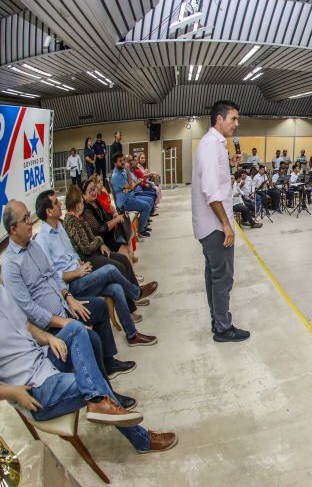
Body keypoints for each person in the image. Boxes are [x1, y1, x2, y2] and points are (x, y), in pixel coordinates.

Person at [0, 285, 178, 453]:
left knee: (75, 328)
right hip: (33, 390)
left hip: (43, 360)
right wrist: (14, 394)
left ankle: (99, 402)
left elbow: (26, 326)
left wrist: (49, 339)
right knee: (94, 382)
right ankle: (142, 439)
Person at [1, 200, 133, 378]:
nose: (30, 222)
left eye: (29, 217)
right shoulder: (11, 265)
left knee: (100, 307)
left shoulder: (34, 246)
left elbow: (54, 275)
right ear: (13, 229)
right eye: (25, 219)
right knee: (91, 339)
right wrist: (63, 322)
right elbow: (28, 309)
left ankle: (108, 363)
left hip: (65, 305)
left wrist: (69, 298)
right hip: (50, 325)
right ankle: (103, 395)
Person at [34, 191, 157, 348]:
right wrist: (76, 273)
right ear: (48, 211)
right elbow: (52, 276)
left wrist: (80, 264)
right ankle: (136, 293)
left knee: (117, 288)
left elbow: (71, 253)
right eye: (56, 203)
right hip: (71, 287)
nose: (60, 205)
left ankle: (132, 335)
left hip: (81, 272)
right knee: (110, 269)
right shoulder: (42, 239)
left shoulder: (59, 226)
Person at [191, 100, 250, 343]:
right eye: (233, 119)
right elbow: (211, 191)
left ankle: (218, 321)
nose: (236, 124)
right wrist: (226, 225)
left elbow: (215, 179)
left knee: (214, 275)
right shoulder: (210, 146)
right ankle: (223, 328)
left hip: (210, 225)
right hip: (215, 227)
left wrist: (231, 164)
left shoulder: (215, 145)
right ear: (219, 119)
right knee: (223, 278)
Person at [80, 179, 133, 261]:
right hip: (102, 241)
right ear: (84, 195)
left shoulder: (96, 202)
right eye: (90, 191)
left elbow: (105, 217)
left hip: (109, 234)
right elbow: (99, 230)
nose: (94, 192)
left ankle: (130, 270)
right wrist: (115, 220)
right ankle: (127, 270)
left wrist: (114, 216)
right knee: (124, 248)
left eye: (94, 189)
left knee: (127, 240)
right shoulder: (86, 211)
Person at [110, 153, 154, 237]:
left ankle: (143, 225)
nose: (123, 162)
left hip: (131, 196)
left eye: (123, 160)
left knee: (150, 200)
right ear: (115, 164)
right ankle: (141, 230)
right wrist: (129, 176)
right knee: (146, 206)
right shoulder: (116, 176)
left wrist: (131, 186)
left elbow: (132, 184)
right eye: (120, 161)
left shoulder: (122, 170)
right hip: (124, 203)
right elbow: (131, 185)